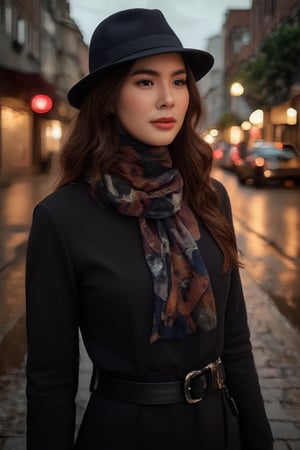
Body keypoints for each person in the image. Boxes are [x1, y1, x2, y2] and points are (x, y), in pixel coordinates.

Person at [25, 8, 274, 450]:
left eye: (178, 80)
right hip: (125, 433)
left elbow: (235, 341)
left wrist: (259, 437)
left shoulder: (210, 196)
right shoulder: (62, 218)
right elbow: (51, 377)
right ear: (108, 96)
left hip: (220, 430)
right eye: (145, 81)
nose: (168, 98)